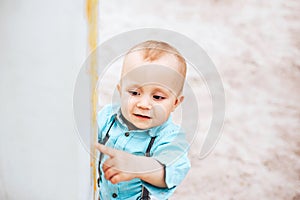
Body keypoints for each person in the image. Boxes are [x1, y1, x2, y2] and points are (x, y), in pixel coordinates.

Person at [95, 40, 190, 200]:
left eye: (158, 97)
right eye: (134, 92)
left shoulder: (171, 138)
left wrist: (137, 166)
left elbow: (173, 170)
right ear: (120, 91)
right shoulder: (107, 118)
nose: (144, 104)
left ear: (175, 103)